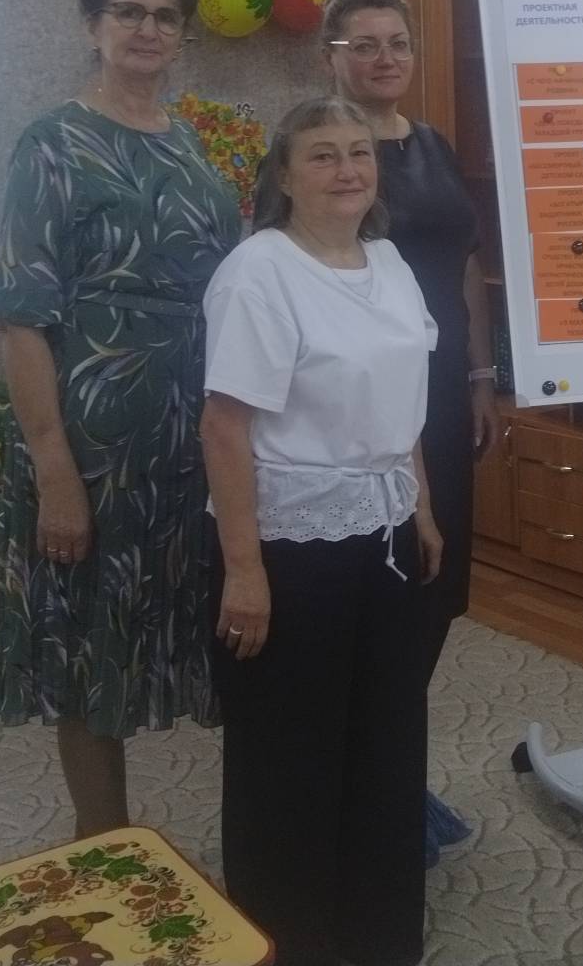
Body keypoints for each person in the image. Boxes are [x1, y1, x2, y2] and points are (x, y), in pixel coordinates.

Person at [0, 0, 240, 839]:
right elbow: (21, 316)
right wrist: (53, 467)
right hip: (91, 446)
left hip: (191, 439)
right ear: (93, 24)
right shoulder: (52, 142)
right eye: (128, 11)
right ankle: (104, 847)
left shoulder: (191, 142)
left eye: (166, 16)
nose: (147, 29)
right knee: (90, 652)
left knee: (186, 627)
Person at [201, 97, 444, 966]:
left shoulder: (390, 262)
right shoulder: (258, 272)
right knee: (290, 756)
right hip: (289, 546)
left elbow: (403, 402)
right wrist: (243, 569)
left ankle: (378, 935)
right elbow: (224, 425)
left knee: (386, 740)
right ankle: (288, 940)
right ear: (283, 175)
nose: (348, 170)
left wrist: (420, 505)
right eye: (323, 156)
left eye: (359, 153)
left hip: (384, 530)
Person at [319, 0, 497, 860]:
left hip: (445, 392)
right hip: (369, 400)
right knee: (381, 589)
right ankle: (361, 783)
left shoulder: (431, 143)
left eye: (396, 42)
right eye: (364, 45)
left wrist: (482, 373)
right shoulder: (325, 151)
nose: (383, 58)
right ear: (332, 58)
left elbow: (464, 264)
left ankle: (392, 767)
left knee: (435, 589)